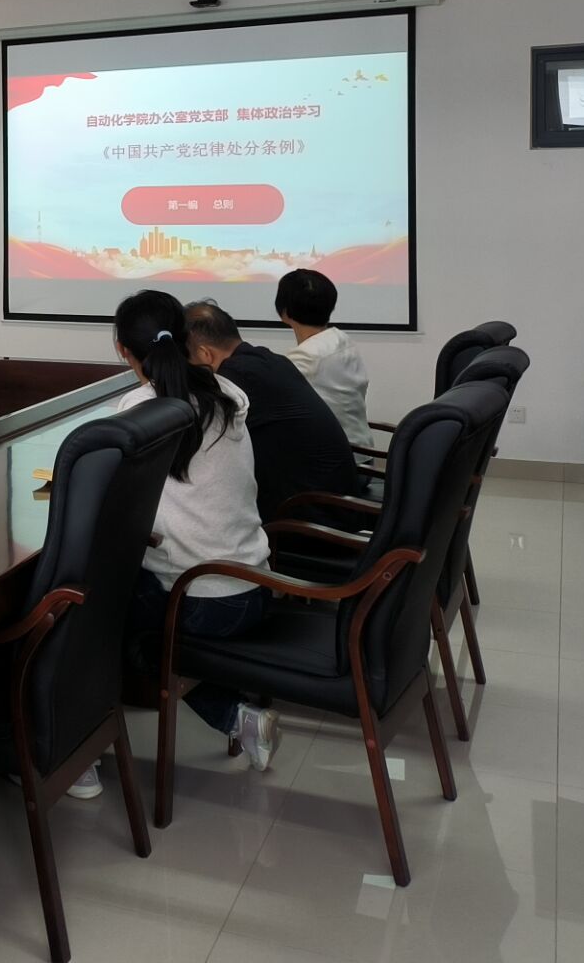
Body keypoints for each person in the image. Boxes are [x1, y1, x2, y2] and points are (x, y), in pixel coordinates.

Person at [90, 290, 277, 802]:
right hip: (258, 582)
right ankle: (238, 717)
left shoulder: (139, 411)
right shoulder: (228, 392)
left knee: (90, 617)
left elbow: (110, 503)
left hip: (204, 602)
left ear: (123, 350)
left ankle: (74, 751)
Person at [185, 299, 359, 519]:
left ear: (204, 354)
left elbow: (201, 442)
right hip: (337, 501)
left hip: (312, 518)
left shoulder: (234, 378)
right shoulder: (269, 360)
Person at [276, 269, 374, 449]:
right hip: (361, 451)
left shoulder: (305, 358)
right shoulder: (341, 340)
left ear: (284, 312)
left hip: (332, 457)